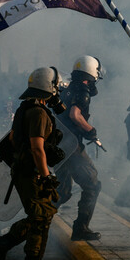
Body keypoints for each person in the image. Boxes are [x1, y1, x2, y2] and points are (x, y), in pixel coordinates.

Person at [0, 66, 65, 260]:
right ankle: (0, 247)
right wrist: (46, 176)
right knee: (40, 216)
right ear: (50, 87)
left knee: (42, 217)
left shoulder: (25, 109)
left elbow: (12, 139)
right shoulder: (38, 113)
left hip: (26, 171)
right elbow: (37, 147)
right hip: (32, 174)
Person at [55, 55, 104, 241]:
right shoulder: (82, 91)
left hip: (61, 144)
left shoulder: (66, 90)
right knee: (92, 184)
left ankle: (30, 225)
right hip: (72, 146)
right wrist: (91, 130)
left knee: (61, 193)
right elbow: (75, 115)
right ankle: (81, 228)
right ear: (92, 71)